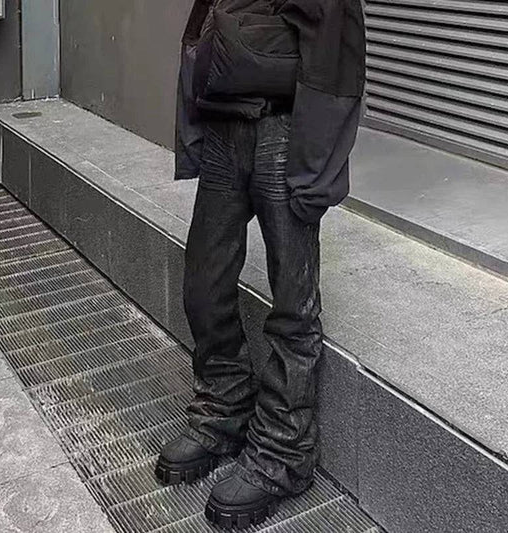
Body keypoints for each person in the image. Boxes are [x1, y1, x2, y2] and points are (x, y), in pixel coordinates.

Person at [155, 0, 365, 529]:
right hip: (226, 125)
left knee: (293, 306)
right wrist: (194, 122)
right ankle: (224, 409)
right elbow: (203, 26)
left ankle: (285, 451)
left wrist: (316, 167)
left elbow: (336, 40)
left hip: (286, 128)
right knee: (203, 285)